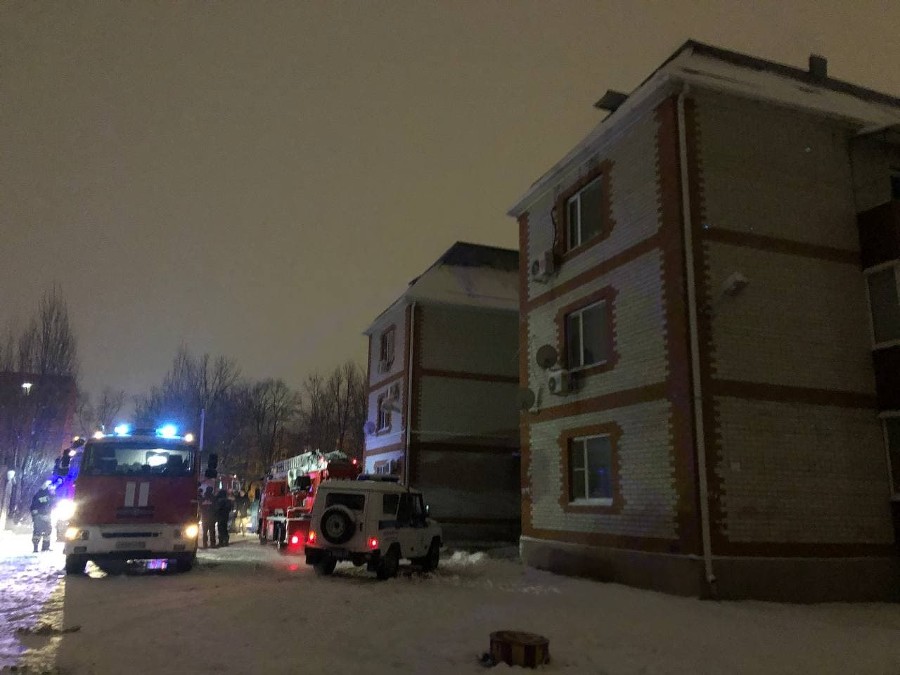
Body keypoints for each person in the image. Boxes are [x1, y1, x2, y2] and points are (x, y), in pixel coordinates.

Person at [30, 480, 55, 553]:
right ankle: (36, 548)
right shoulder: (41, 494)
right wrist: (35, 513)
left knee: (47, 531)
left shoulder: (49, 494)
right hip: (40, 515)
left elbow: (52, 503)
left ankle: (45, 547)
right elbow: (35, 504)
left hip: (46, 515)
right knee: (38, 531)